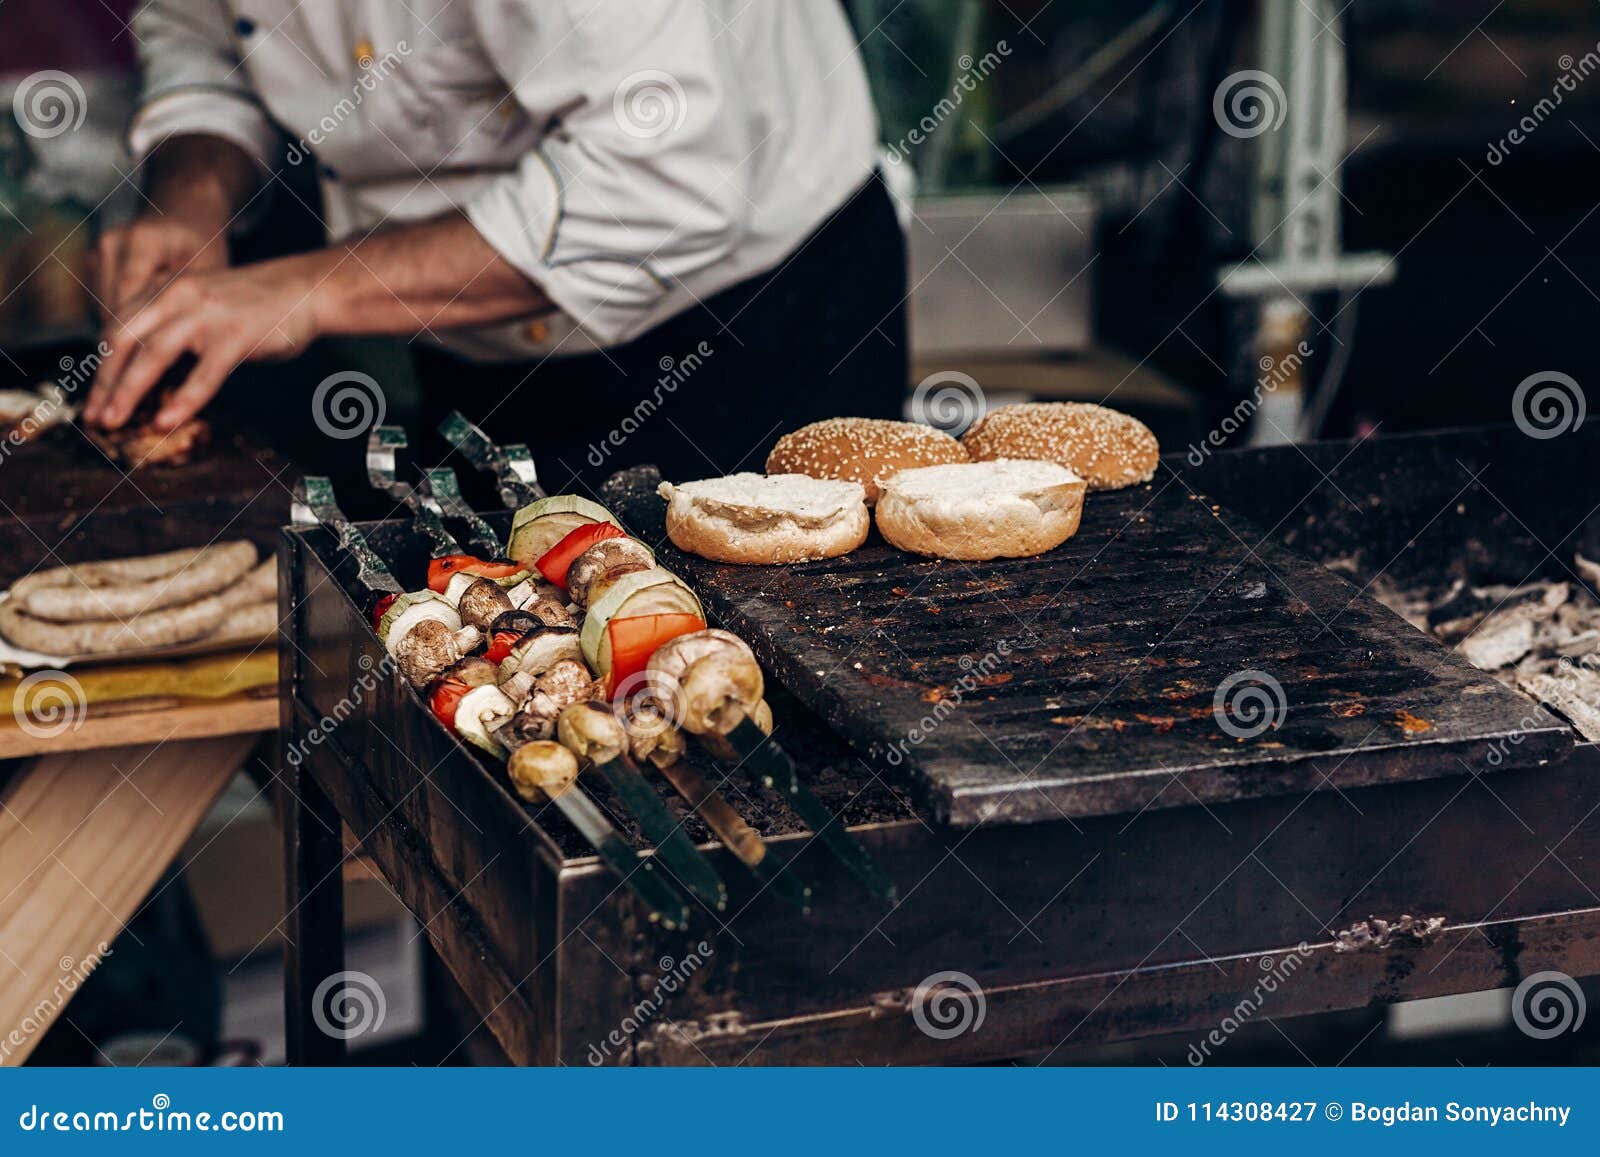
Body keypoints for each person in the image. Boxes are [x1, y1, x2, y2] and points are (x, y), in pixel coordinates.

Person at [84, 2, 907, 490]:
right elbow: (200, 35)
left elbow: (663, 183)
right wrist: (194, 194)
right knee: (520, 701)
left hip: (747, 330)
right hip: (475, 349)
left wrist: (310, 290)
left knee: (771, 734)